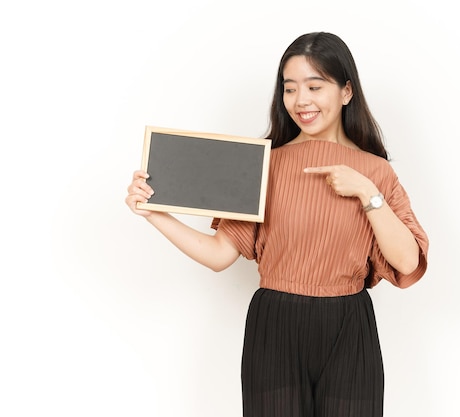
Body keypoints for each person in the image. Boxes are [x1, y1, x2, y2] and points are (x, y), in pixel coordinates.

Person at [126, 32, 429, 417]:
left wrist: (368, 194)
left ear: (346, 91)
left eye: (315, 86)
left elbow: (406, 262)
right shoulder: (261, 165)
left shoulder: (376, 172)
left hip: (349, 327)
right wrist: (154, 213)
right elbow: (219, 254)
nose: (301, 100)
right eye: (290, 89)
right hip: (275, 326)